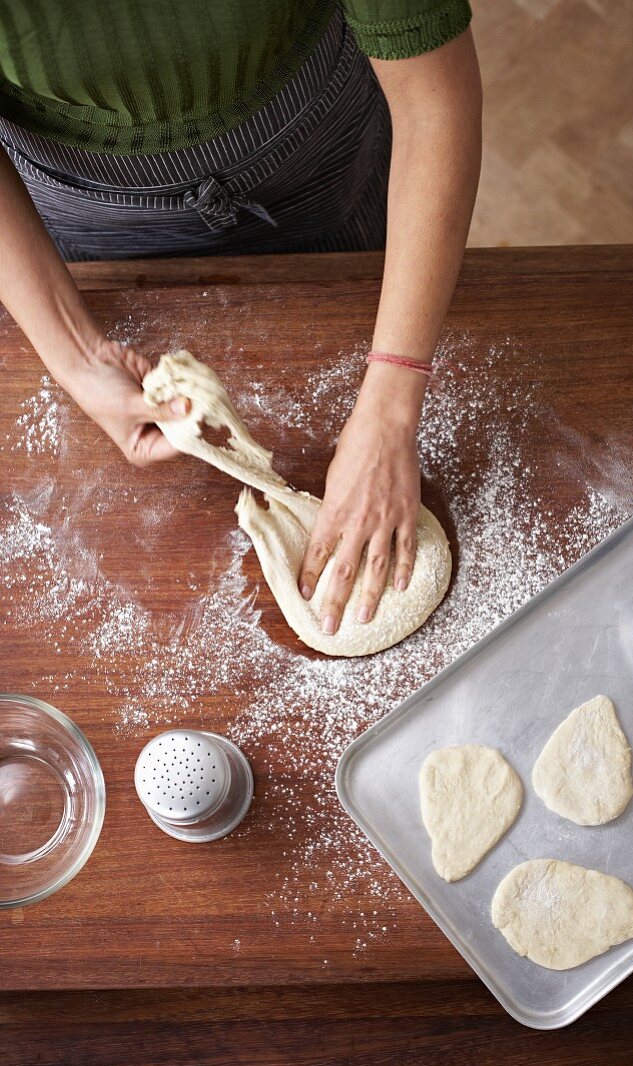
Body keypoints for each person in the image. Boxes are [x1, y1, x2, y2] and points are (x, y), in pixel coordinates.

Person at [0, 1, 482, 636]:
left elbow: (433, 104)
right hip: (83, 199)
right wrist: (78, 356)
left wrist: (393, 401)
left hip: (315, 144)